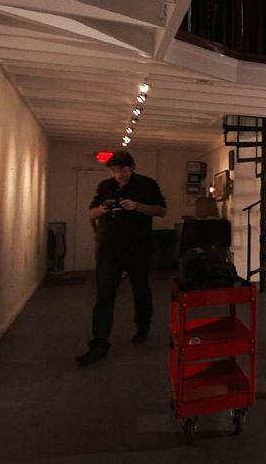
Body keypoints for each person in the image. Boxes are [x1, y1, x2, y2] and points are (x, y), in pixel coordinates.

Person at [75, 151, 167, 367]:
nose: (118, 175)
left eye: (122, 170)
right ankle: (99, 344)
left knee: (140, 290)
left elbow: (161, 211)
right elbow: (90, 214)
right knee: (104, 295)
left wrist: (137, 206)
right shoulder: (105, 186)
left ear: (131, 167)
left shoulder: (147, 184)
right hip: (109, 248)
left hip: (138, 247)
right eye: (114, 171)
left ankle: (142, 327)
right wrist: (102, 209)